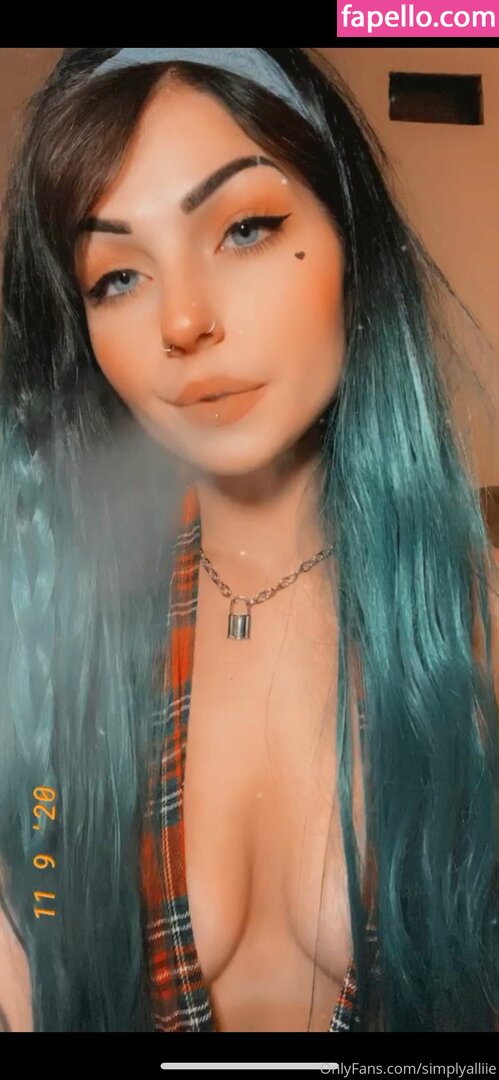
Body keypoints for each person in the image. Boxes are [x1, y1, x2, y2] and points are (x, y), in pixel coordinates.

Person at [0, 46, 498, 1034]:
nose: (183, 320)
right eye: (117, 276)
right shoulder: (42, 655)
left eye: (244, 228)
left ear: (350, 240)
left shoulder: (476, 633)